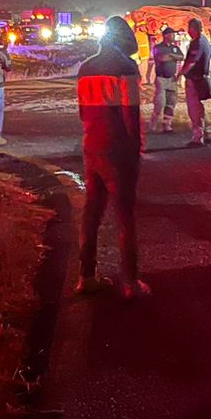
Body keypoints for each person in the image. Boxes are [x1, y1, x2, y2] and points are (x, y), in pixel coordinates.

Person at [75, 15, 148, 300]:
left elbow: (82, 113)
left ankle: (85, 277)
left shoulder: (85, 68)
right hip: (118, 151)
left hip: (91, 147)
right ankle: (130, 283)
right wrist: (136, 148)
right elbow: (131, 115)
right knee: (124, 216)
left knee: (91, 213)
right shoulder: (126, 67)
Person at [180, 16, 211, 146]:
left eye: (189, 29)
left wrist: (180, 74)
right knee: (200, 107)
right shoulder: (205, 41)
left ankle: (198, 137)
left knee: (194, 109)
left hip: (195, 80)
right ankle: (208, 133)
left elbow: (191, 62)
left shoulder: (197, 42)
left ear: (192, 29)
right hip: (203, 79)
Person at [146, 26, 183, 134]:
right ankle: (152, 124)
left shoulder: (175, 47)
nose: (173, 36)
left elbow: (181, 56)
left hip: (172, 79)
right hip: (161, 79)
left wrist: (170, 55)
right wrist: (173, 56)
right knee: (159, 103)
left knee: (171, 103)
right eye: (172, 34)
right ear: (166, 35)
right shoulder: (158, 47)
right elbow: (161, 58)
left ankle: (167, 125)